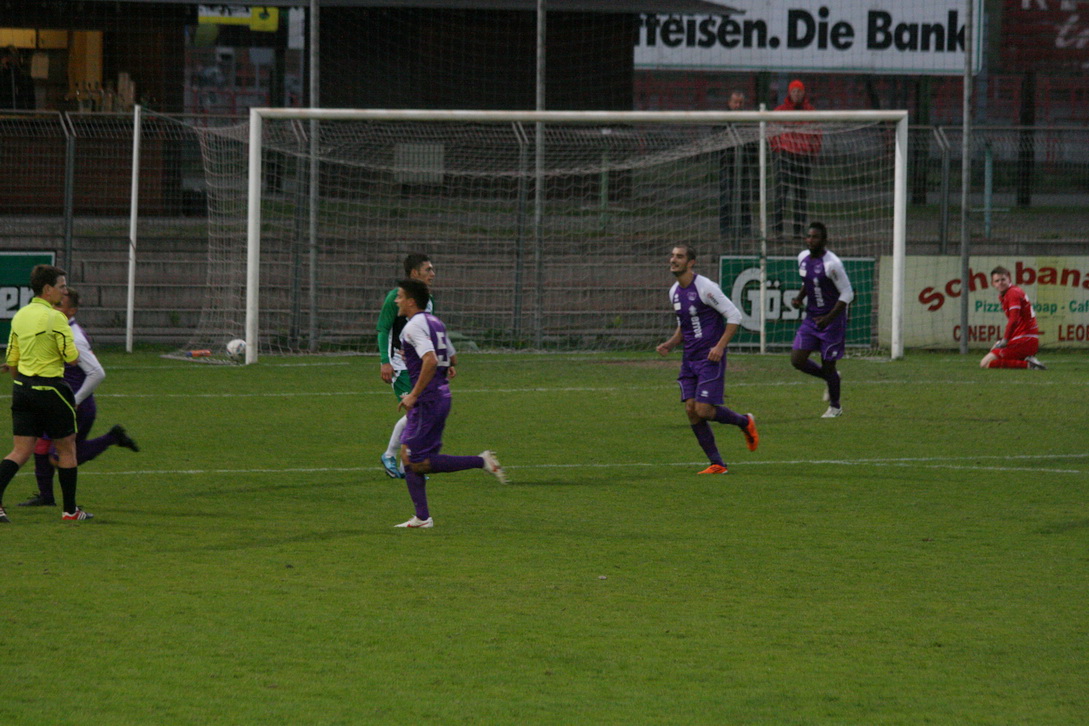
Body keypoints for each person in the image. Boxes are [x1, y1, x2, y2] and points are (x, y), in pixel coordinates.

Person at [392, 278, 506, 528]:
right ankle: (422, 517)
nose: (396, 300)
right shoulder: (435, 322)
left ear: (411, 301)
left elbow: (431, 360)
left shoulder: (412, 327)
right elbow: (451, 357)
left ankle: (481, 461)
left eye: (399, 296)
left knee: (415, 461)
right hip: (439, 396)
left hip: (428, 400)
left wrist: (413, 394)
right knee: (408, 455)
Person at [18, 288, 140, 508]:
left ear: (71, 310)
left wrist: (76, 400)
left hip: (76, 407)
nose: (53, 309)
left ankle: (112, 438)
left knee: (59, 456)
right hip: (59, 402)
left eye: (59, 306)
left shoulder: (74, 337)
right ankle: (46, 497)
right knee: (41, 448)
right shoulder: (59, 330)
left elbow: (98, 373)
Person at [656, 245, 759, 474]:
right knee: (691, 410)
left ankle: (745, 422)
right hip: (689, 358)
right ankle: (717, 464)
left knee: (703, 410)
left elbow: (734, 316)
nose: (673, 260)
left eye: (679, 257)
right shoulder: (674, 291)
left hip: (709, 357)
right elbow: (685, 325)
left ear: (691, 262)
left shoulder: (706, 288)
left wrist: (720, 347)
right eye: (672, 256)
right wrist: (672, 343)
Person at [0, 265, 91, 523]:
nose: (64, 292)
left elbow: (13, 358)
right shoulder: (56, 318)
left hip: (22, 390)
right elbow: (72, 358)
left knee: (20, 451)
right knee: (66, 449)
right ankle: (70, 511)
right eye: (61, 286)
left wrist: (23, 383)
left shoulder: (20, 315)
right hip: (51, 389)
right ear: (47, 289)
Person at [377, 253, 435, 478]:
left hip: (419, 366)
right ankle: (391, 456)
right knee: (416, 412)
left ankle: (405, 465)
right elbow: (383, 329)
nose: (433, 274)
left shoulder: (429, 300)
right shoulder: (395, 297)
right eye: (428, 269)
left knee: (421, 412)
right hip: (399, 366)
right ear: (414, 273)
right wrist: (385, 361)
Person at [789, 222, 854, 418]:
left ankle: (835, 407)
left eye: (815, 237)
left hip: (832, 321)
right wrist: (800, 298)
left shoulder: (832, 264)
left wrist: (828, 318)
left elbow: (848, 293)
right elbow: (807, 281)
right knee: (797, 360)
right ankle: (831, 378)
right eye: (808, 236)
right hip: (811, 319)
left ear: (824, 240)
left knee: (828, 365)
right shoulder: (802, 258)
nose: (810, 240)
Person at [770, 79, 821, 239]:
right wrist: (778, 148)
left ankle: (798, 232)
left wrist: (812, 152)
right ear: (789, 93)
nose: (797, 94)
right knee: (781, 195)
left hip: (803, 158)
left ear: (803, 93)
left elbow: (817, 135)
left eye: (799, 91)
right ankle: (777, 230)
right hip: (785, 156)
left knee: (800, 196)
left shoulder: (810, 112)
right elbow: (771, 132)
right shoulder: (781, 111)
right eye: (794, 91)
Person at [979, 266, 1046, 370]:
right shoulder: (1006, 294)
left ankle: (1029, 365)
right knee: (991, 355)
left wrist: (1005, 341)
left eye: (1003, 279)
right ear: (993, 284)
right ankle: (1026, 360)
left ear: (1009, 279)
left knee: (986, 363)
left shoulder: (1012, 293)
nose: (1000, 283)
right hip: (1024, 338)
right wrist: (1002, 341)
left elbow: (1013, 320)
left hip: (1025, 340)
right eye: (997, 281)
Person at [718, 90, 758, 241]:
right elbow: (716, 139)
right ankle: (725, 231)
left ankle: (745, 229)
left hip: (744, 167)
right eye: (735, 102)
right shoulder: (722, 120)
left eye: (740, 102)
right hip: (727, 166)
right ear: (729, 103)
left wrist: (750, 159)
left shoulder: (747, 122)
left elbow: (754, 143)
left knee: (744, 198)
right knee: (726, 198)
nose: (738, 105)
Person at [0, 46, 35, 110]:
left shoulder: (24, 78)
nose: (11, 60)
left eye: (13, 57)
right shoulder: (2, 77)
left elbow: (30, 101)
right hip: (4, 114)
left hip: (20, 114)